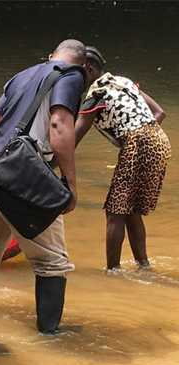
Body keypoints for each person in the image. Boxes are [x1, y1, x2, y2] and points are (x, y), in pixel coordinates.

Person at [0, 40, 86, 334]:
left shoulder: (22, 75)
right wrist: (70, 185)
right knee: (52, 262)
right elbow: (59, 125)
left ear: (50, 56)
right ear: (82, 66)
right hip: (21, 176)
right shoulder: (71, 76)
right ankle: (50, 336)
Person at [75, 46, 172, 272]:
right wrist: (137, 136)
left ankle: (113, 272)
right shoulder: (123, 81)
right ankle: (144, 266)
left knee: (115, 210)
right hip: (159, 139)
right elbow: (160, 113)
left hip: (139, 142)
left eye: (75, 72)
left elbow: (73, 137)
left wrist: (49, 163)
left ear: (87, 69)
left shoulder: (96, 94)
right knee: (130, 209)